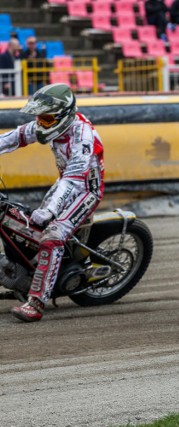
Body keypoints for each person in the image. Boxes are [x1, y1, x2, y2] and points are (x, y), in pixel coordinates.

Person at [0, 83, 105, 322]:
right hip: (64, 183)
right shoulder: (49, 124)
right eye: (39, 118)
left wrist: (49, 210)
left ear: (64, 115)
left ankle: (36, 302)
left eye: (46, 119)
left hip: (84, 190)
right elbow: (14, 137)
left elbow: (73, 181)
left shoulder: (83, 138)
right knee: (27, 227)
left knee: (51, 238)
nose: (40, 123)